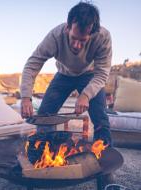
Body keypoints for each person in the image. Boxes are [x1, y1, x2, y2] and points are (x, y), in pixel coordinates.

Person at [20, 2, 114, 187]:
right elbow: (32, 64)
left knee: (101, 119)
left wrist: (86, 95)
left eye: (83, 40)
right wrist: (25, 97)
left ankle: (105, 170)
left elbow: (102, 72)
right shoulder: (55, 35)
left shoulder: (103, 37)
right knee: (45, 116)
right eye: (74, 38)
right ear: (67, 26)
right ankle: (43, 162)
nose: (78, 45)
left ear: (92, 33)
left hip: (90, 75)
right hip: (63, 75)